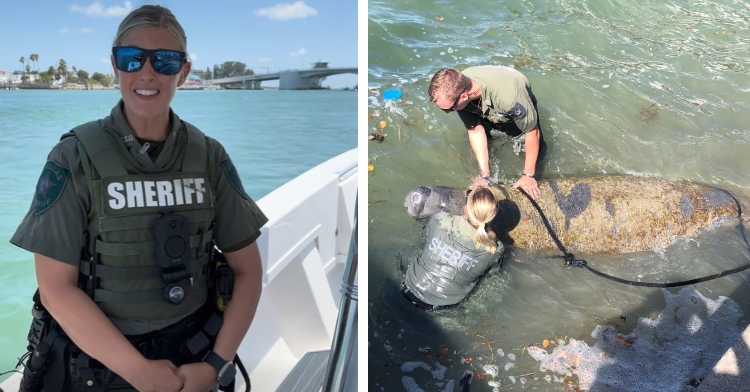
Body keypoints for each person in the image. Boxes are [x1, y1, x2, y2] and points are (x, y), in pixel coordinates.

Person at [10, 5, 267, 392]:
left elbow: (248, 270)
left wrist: (215, 364)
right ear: (115, 66)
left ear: (184, 70)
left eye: (165, 60)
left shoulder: (210, 156)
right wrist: (139, 371)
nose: (147, 73)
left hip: (194, 358)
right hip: (98, 367)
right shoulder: (73, 156)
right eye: (132, 59)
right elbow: (55, 289)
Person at [428, 66, 547, 200]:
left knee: (537, 153)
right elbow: (475, 130)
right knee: (479, 147)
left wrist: (528, 175)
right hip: (489, 111)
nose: (448, 112)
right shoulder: (457, 88)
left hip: (514, 104)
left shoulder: (510, 98)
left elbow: (532, 132)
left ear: (464, 96)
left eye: (449, 109)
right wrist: (484, 176)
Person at [401, 184, 505, 310]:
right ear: (493, 215)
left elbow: (425, 237)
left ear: (465, 209)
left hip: (408, 287)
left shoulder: (440, 219)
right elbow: (492, 272)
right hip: (442, 306)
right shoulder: (495, 248)